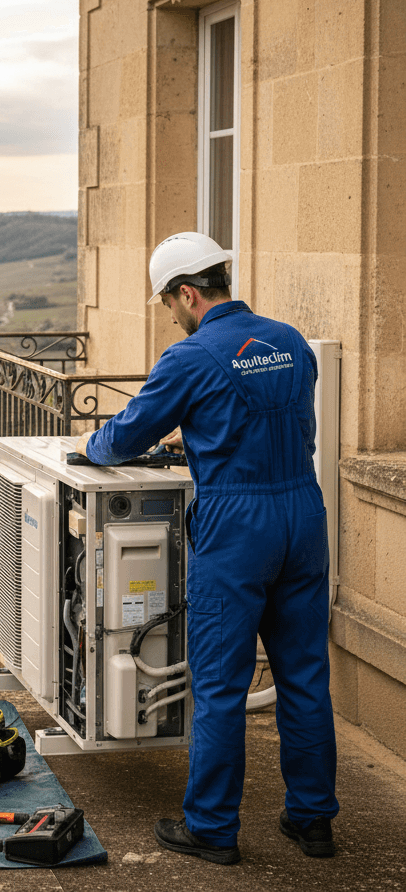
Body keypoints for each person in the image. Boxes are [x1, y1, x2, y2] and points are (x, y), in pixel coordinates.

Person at [74, 232, 338, 865]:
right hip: (303, 514)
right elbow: (268, 420)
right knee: (305, 676)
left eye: (170, 304)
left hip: (236, 525)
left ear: (188, 294)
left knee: (219, 684)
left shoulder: (189, 358)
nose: (171, 315)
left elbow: (123, 437)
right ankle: (312, 821)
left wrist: (90, 446)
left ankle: (213, 828)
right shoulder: (292, 342)